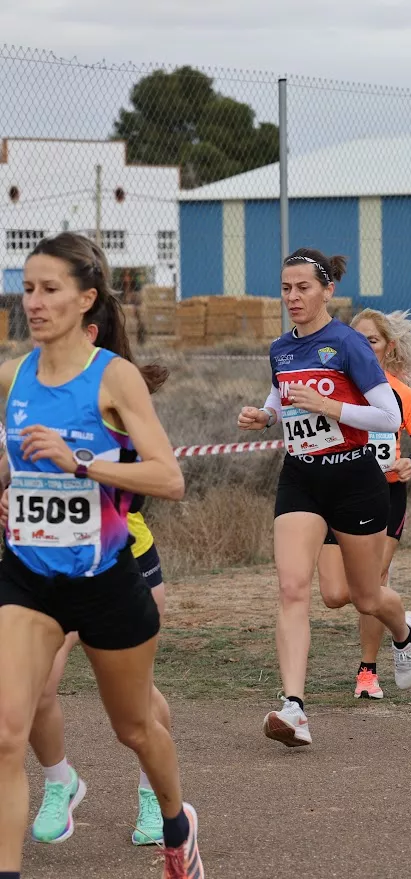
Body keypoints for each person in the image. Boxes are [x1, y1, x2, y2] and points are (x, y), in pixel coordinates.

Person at [0, 232, 203, 878]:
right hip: (28, 578)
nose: (34, 302)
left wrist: (80, 463)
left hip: (105, 579)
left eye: (49, 289)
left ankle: (176, 822)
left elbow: (169, 477)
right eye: (27, 289)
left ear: (86, 298)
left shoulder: (112, 377)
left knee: (135, 727)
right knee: (5, 732)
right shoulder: (12, 375)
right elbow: (10, 461)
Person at [237, 248, 411, 748]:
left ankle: (404, 631)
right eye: (286, 288)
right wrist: (265, 416)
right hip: (301, 478)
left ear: (327, 290)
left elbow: (388, 417)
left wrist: (330, 406)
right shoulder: (280, 349)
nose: (293, 297)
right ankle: (294, 707)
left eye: (303, 287)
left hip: (354, 478)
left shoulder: (347, 344)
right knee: (292, 589)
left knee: (364, 597)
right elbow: (281, 399)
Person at [24, 318, 173, 848]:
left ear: (88, 334)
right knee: (34, 684)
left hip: (121, 560)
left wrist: (79, 464)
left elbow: (154, 480)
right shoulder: (28, 389)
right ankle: (59, 781)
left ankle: (154, 793)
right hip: (49, 564)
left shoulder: (116, 392)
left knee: (136, 699)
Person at [316, 309, 411, 700]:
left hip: (385, 495)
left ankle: (367, 673)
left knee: (372, 582)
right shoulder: (332, 388)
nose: (364, 347)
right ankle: (405, 629)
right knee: (335, 594)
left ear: (389, 347)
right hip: (338, 491)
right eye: (358, 340)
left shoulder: (401, 394)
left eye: (372, 340)